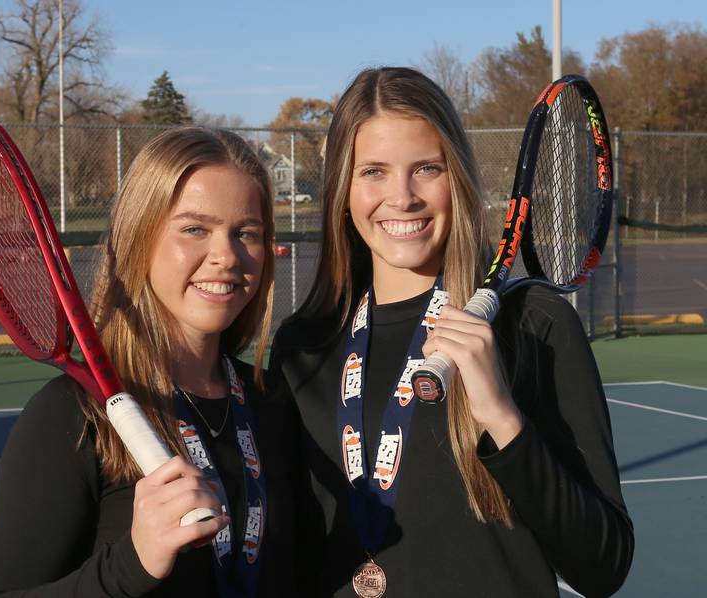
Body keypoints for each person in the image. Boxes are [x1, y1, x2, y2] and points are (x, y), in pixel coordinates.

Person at [269, 67, 634, 597]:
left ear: (456, 176)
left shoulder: (533, 324)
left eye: (426, 168)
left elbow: (604, 567)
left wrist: (502, 419)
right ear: (341, 189)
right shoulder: (303, 346)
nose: (402, 197)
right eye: (373, 171)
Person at [0, 127, 302, 597]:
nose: (226, 255)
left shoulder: (273, 403)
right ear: (137, 239)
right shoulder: (70, 417)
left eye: (246, 232)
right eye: (194, 229)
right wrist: (131, 564)